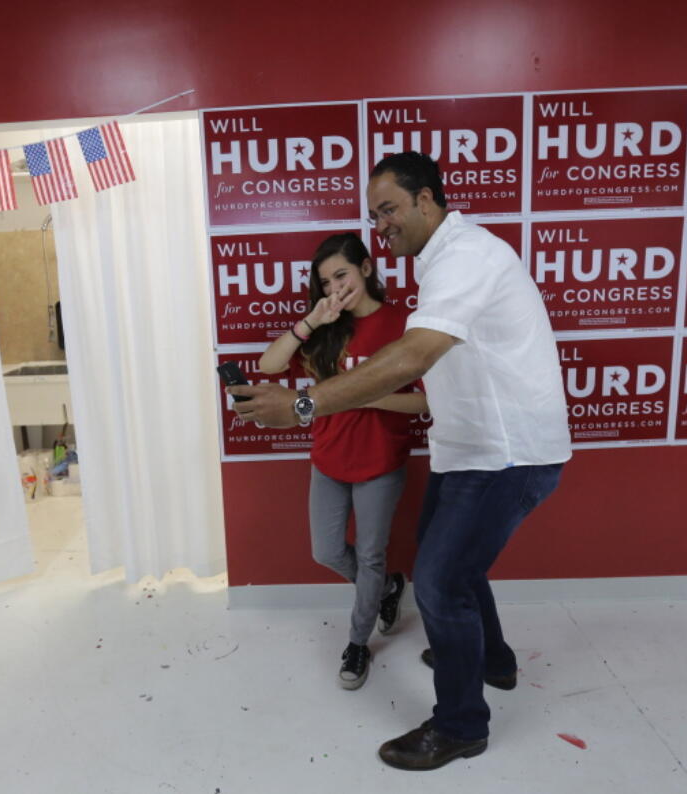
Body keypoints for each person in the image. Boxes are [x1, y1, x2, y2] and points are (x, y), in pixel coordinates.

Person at [228, 152, 571, 771]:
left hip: (508, 454)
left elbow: (414, 357)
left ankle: (462, 725)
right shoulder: (440, 263)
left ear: (429, 201)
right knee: (448, 564)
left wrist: (303, 406)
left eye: (388, 209)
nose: (380, 225)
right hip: (467, 449)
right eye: (372, 214)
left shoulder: (466, 255)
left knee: (439, 582)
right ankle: (491, 659)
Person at [257, 232, 426, 691]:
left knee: (369, 557)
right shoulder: (326, 329)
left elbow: (426, 405)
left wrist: (361, 392)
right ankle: (389, 588)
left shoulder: (405, 324)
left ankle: (357, 642)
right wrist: (311, 321)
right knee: (327, 550)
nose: (335, 288)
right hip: (329, 460)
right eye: (326, 281)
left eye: (342, 275)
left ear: (367, 269)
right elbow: (270, 367)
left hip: (381, 462)